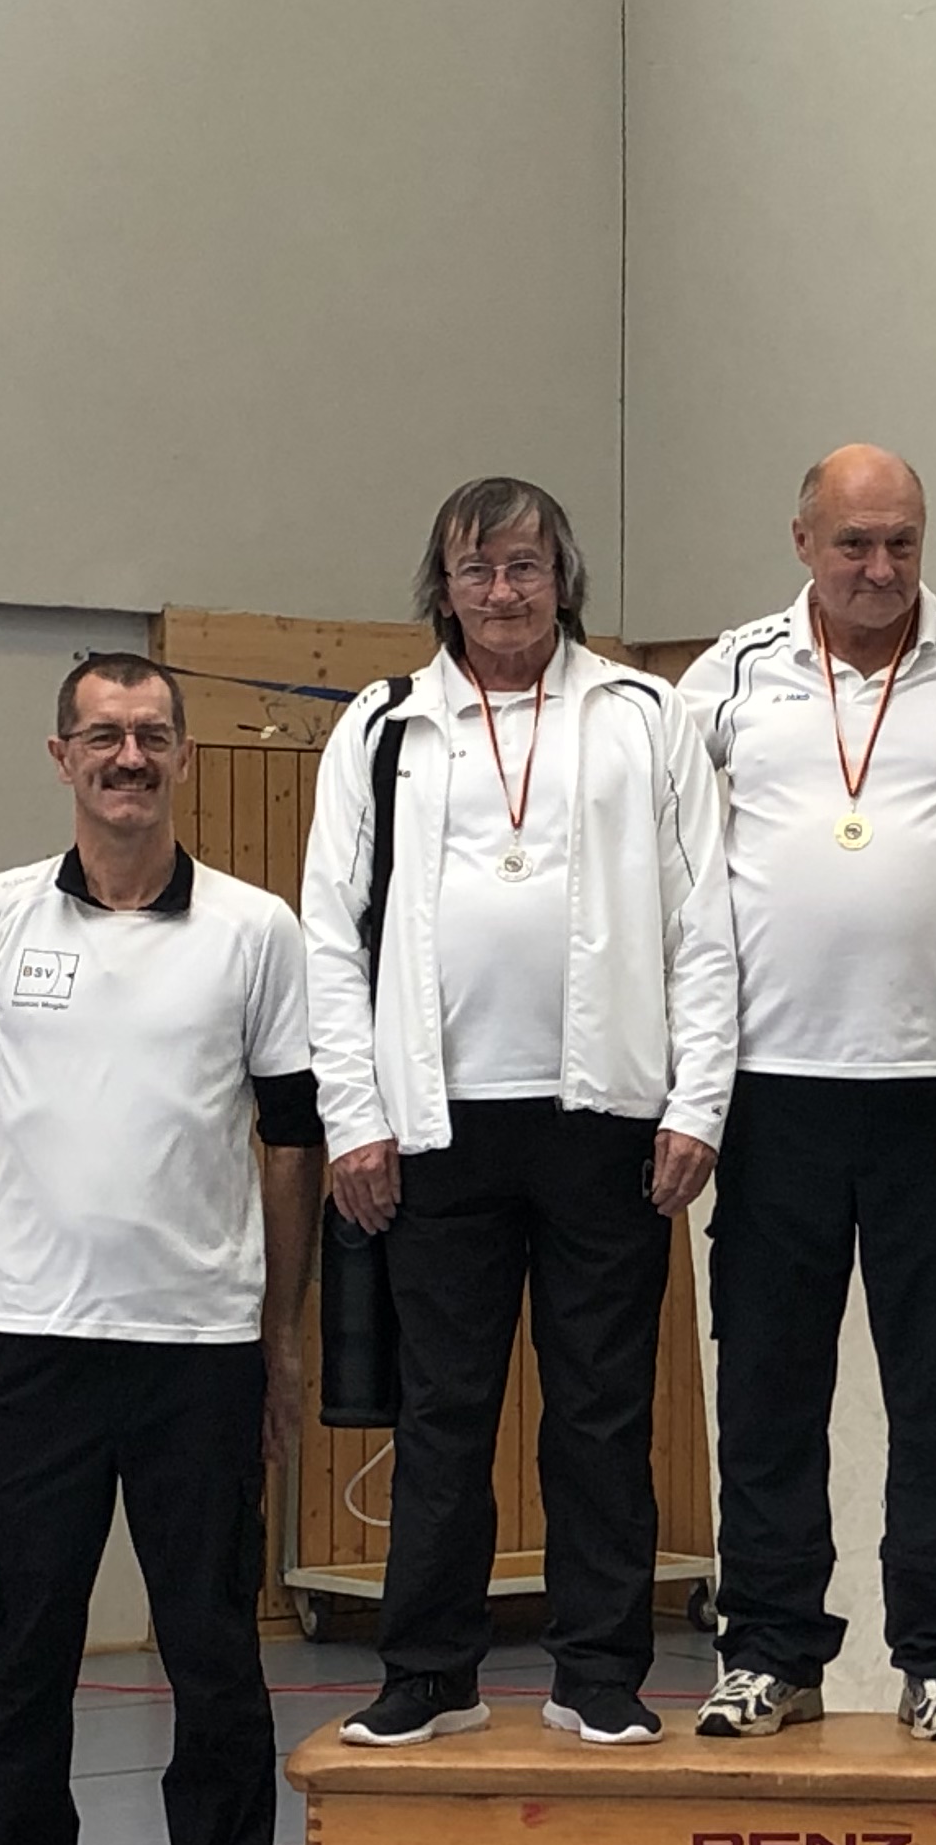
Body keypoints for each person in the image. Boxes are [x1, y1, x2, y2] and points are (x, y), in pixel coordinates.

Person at [0, 653, 319, 1845]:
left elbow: (289, 1145)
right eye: (104, 735)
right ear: (62, 756)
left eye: (152, 734)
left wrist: (276, 1340)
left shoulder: (258, 931)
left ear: (185, 757)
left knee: (214, 1659)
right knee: (23, 1658)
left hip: (199, 1351)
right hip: (33, 1348)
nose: (128, 756)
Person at [303, 477, 736, 1750]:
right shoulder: (384, 726)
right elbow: (331, 932)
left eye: (526, 567)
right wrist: (354, 1116)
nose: (503, 592)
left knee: (601, 1408)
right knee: (444, 1410)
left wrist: (698, 1101)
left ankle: (597, 1669)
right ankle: (429, 1671)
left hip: (610, 1114)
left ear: (565, 581)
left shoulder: (644, 715)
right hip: (435, 1123)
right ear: (442, 587)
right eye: (477, 569)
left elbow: (705, 922)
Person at [675, 445, 936, 1743]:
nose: (881, 568)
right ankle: (769, 1653)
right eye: (854, 544)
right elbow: (657, 860)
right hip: (771, 1090)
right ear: (802, 541)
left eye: (902, 542)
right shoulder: (727, 677)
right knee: (768, 1391)